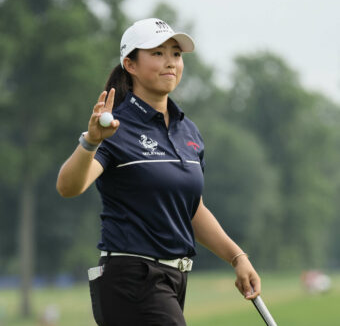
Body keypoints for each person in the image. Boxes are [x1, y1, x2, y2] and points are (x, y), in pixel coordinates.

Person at [56, 18, 261, 326]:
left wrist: (237, 257)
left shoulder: (187, 130)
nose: (170, 62)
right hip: (131, 277)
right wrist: (91, 142)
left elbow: (193, 209)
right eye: (158, 53)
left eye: (176, 54)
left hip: (174, 278)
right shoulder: (115, 128)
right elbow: (68, 186)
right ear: (131, 64)